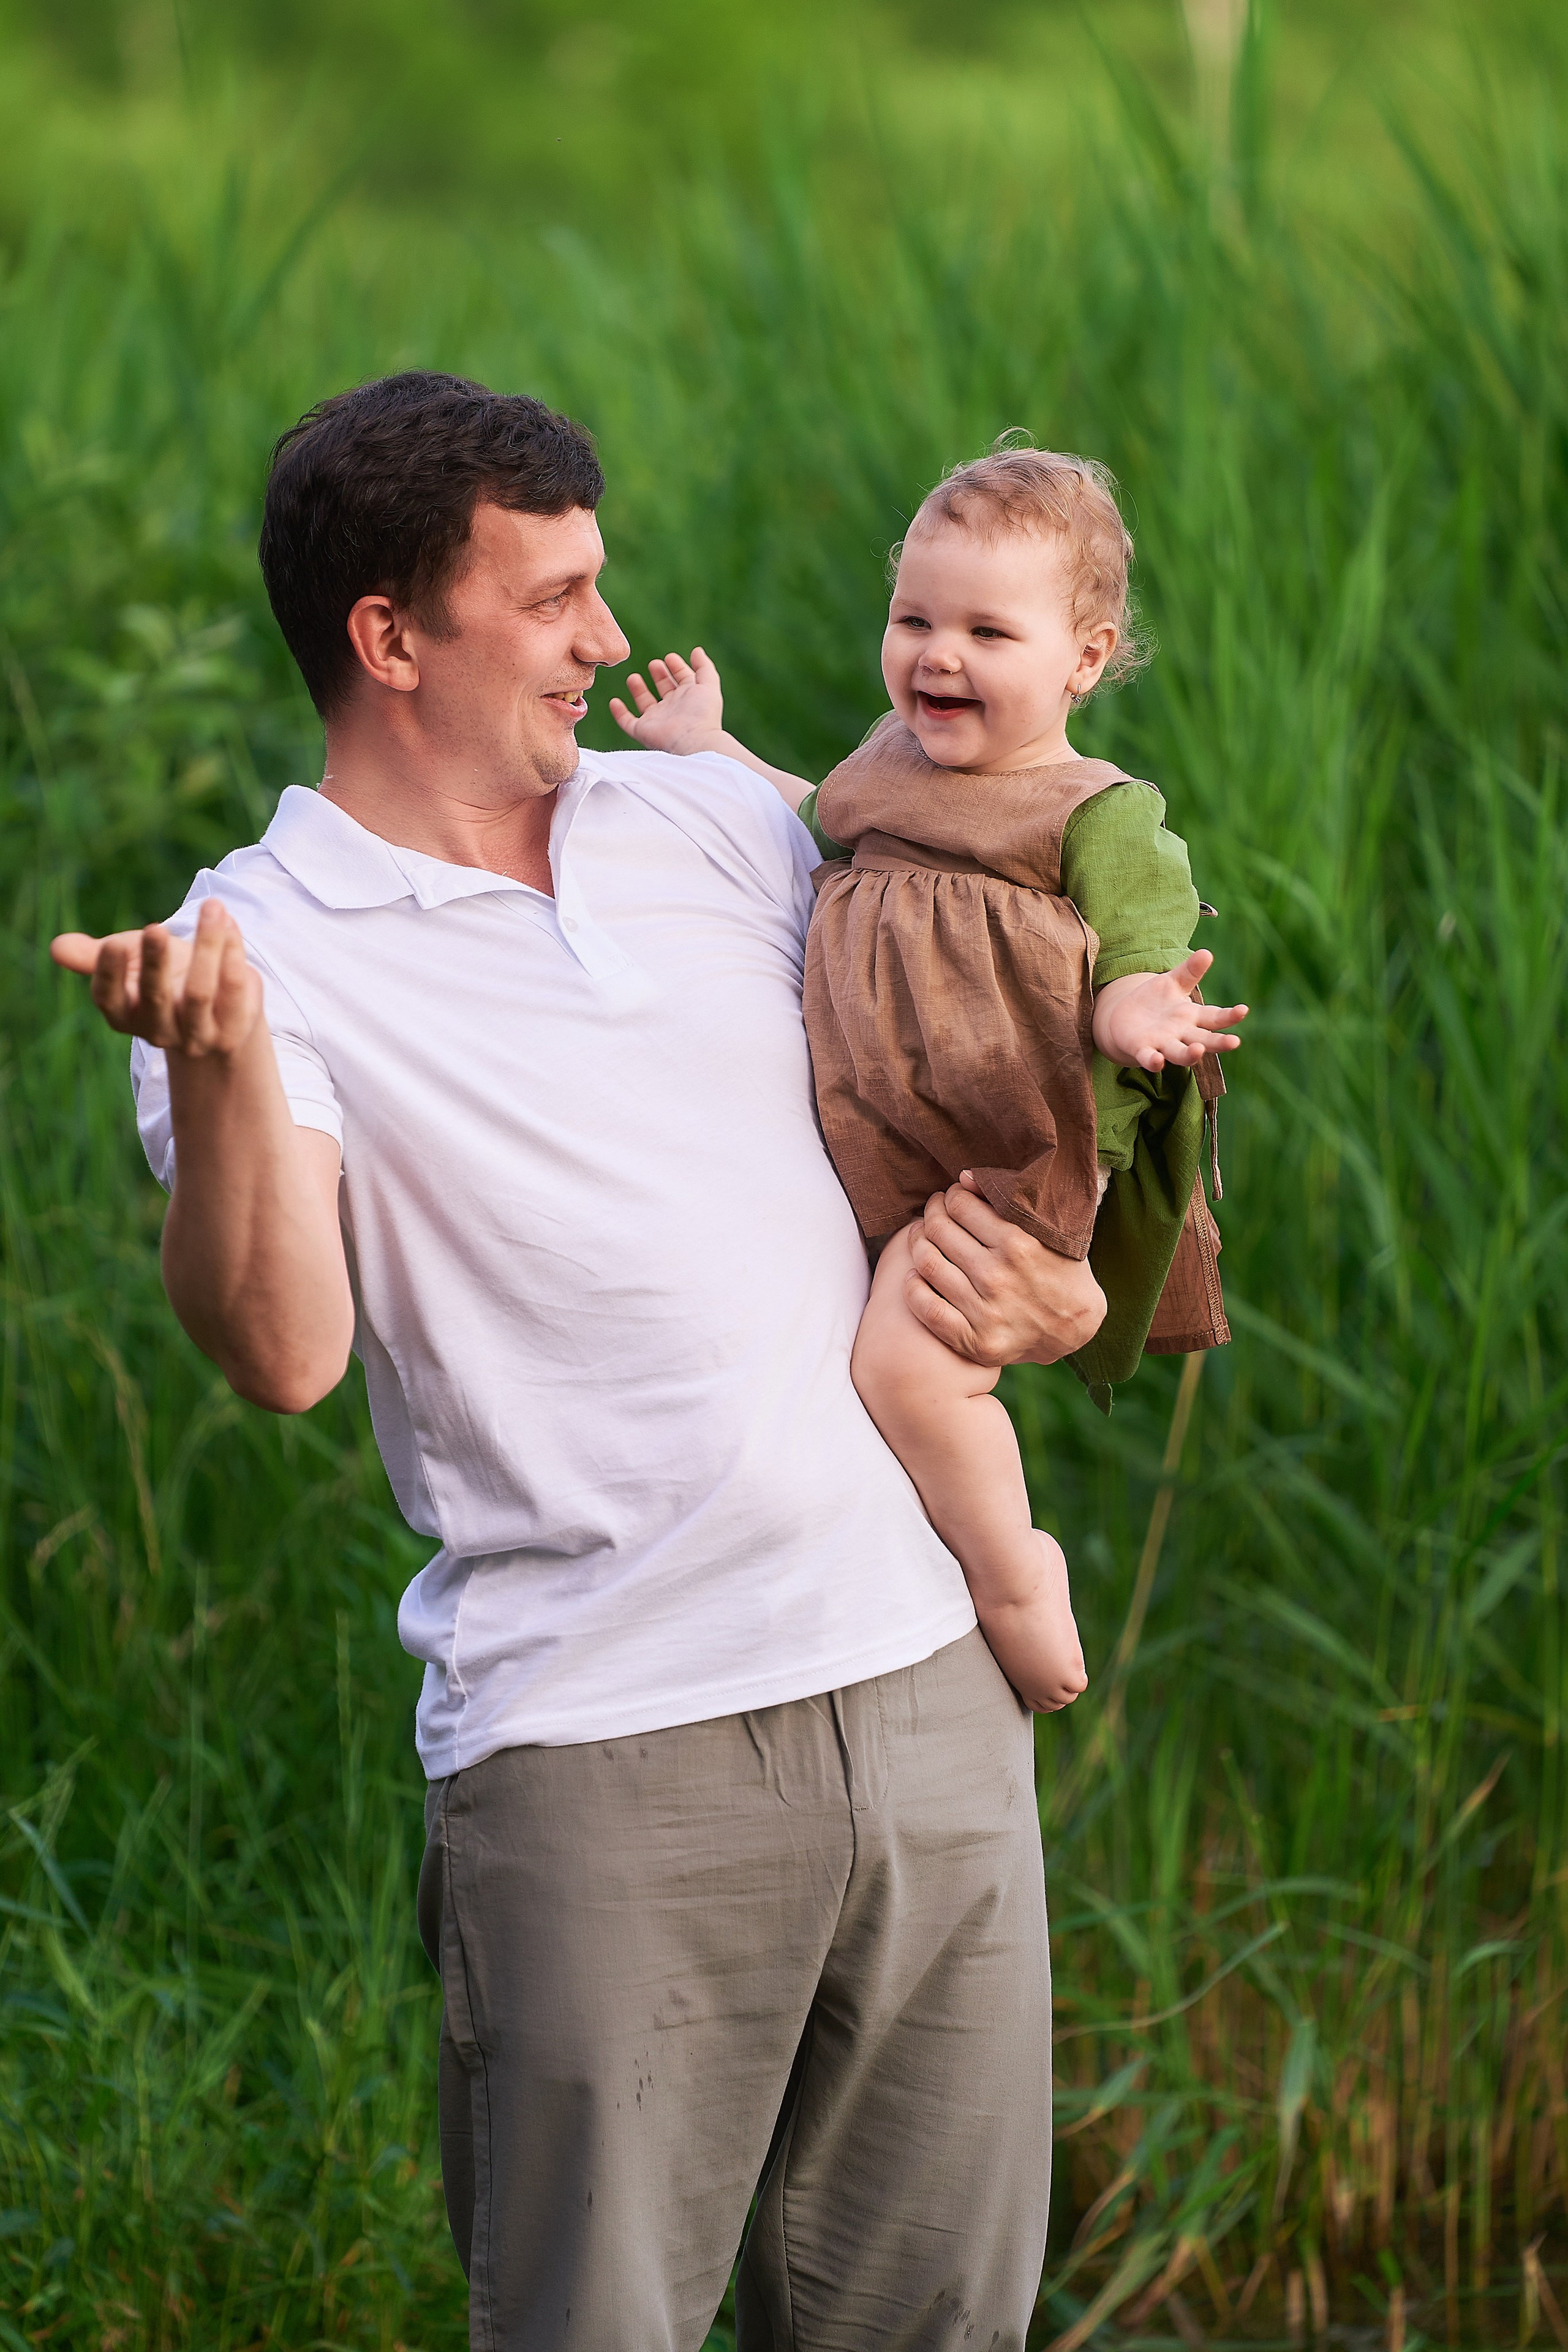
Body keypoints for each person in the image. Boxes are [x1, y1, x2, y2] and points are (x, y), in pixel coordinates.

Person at [51, 374, 1114, 2352]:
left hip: (924, 1690)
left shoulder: (711, 823)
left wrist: (1076, 1294)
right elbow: (281, 1349)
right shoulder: (255, 947)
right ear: (391, 639)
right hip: (608, 1754)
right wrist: (215, 1075)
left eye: (601, 587)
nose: (610, 643)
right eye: (553, 601)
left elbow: (945, 1096)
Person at [608, 442, 1245, 1719]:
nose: (934, 655)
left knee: (909, 1369)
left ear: (1081, 657)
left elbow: (1137, 937)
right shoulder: (894, 761)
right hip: (892, 1129)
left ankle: (1016, 1577)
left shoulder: (1089, 809)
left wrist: (1137, 1017)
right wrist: (707, 747)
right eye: (912, 618)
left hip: (1008, 1144)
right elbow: (820, 812)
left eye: (983, 631)